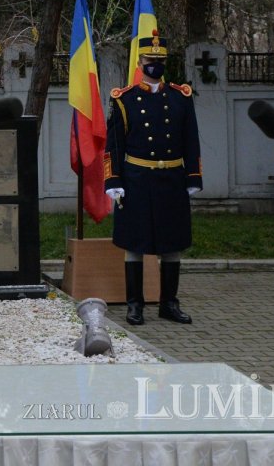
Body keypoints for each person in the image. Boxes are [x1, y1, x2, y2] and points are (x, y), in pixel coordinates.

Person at [103, 32, 202, 326]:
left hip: (171, 177)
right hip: (137, 179)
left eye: (159, 60)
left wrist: (193, 176)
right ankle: (135, 305)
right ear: (140, 62)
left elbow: (191, 139)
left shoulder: (180, 97)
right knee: (135, 243)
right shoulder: (125, 100)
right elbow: (114, 145)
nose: (154, 65)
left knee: (172, 244)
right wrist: (113, 180)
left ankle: (169, 304)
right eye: (149, 60)